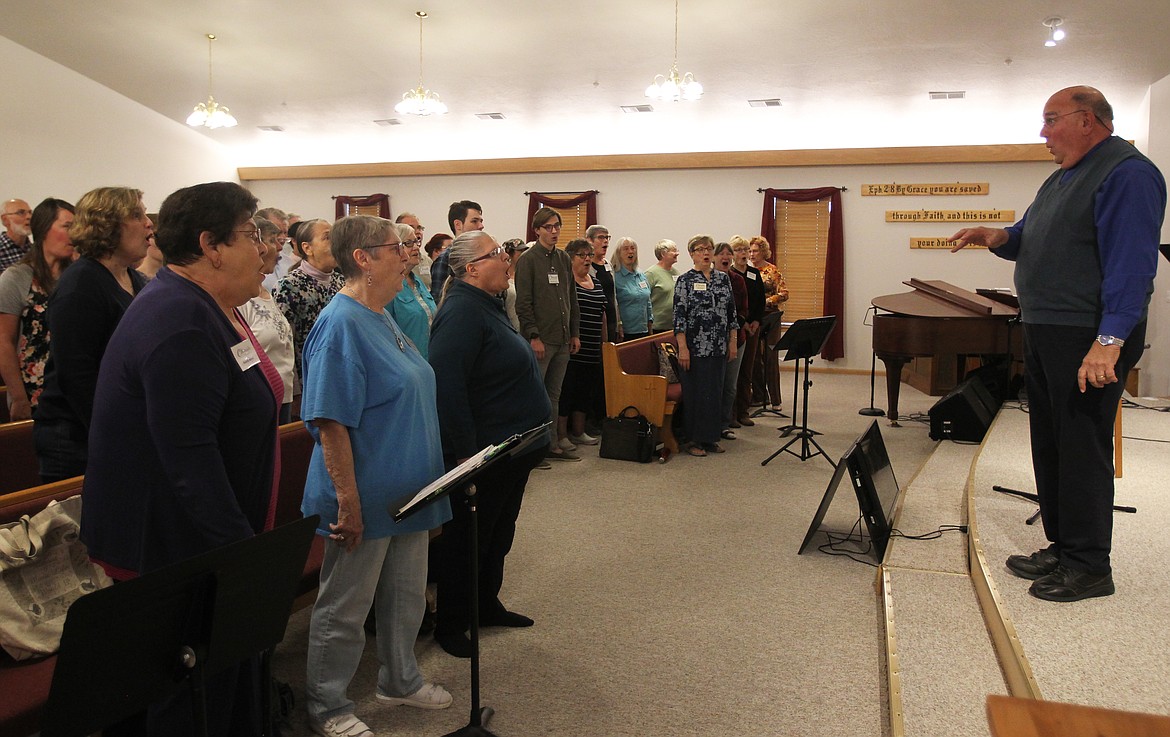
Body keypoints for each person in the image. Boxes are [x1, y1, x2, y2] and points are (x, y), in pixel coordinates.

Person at [950, 85, 1166, 603]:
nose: (1042, 132)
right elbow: (1029, 234)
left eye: (1051, 120)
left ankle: (1090, 565)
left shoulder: (1127, 173)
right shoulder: (1062, 178)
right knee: (1050, 443)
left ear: (1087, 120)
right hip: (1048, 327)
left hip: (1086, 333)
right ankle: (1064, 545)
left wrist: (1109, 341)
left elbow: (1132, 265)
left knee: (1081, 446)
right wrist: (998, 235)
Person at [80, 181, 281, 735]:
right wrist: (244, 560)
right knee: (189, 695)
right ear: (211, 245)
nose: (263, 248)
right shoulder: (180, 319)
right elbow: (188, 461)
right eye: (250, 235)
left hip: (199, 538)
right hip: (175, 545)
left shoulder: (205, 304)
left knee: (220, 684)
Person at [300, 214, 453, 737]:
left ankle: (400, 678)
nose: (408, 255)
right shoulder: (340, 322)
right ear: (363, 258)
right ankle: (327, 706)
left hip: (408, 490)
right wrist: (348, 500)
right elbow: (329, 421)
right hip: (363, 494)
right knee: (344, 607)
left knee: (406, 595)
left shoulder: (380, 313)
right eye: (397, 247)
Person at [428, 230, 551, 658]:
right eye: (497, 253)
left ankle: (485, 604)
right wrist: (464, 453)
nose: (506, 258)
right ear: (471, 268)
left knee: (498, 532)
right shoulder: (461, 311)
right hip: (483, 452)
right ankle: (452, 621)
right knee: (469, 538)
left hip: (513, 448)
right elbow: (448, 385)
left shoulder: (488, 303)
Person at [33, 187, 150, 482]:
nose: (149, 223)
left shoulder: (133, 277)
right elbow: (77, 376)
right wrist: (114, 435)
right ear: (107, 226)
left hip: (117, 423)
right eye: (137, 215)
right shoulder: (81, 284)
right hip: (77, 435)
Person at [513, 207, 581, 462]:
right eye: (549, 227)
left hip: (563, 338)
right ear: (538, 230)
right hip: (541, 339)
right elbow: (524, 303)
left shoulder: (563, 258)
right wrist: (533, 336)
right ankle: (531, 450)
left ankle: (550, 444)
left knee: (554, 396)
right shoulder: (528, 260)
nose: (554, 231)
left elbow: (571, 298)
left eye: (557, 226)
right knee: (535, 396)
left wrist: (574, 333)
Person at [0, 198, 75, 420]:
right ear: (43, 229)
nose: (75, 234)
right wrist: (19, 398)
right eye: (68, 226)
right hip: (33, 394)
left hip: (72, 392)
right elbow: (4, 341)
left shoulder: (77, 276)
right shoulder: (16, 277)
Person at [673, 234, 737, 457]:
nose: (706, 253)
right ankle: (693, 440)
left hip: (719, 345)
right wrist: (682, 348)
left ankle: (710, 438)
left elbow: (731, 313)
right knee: (696, 394)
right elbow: (679, 317)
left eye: (709, 248)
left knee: (714, 393)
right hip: (694, 347)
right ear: (692, 254)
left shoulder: (723, 279)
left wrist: (733, 341)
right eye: (700, 249)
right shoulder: (685, 280)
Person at [274, 218, 343, 391]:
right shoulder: (289, 286)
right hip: (310, 380)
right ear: (307, 248)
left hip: (340, 374)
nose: (335, 242)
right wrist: (295, 391)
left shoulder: (342, 282)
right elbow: (285, 343)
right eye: (327, 237)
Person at [240, 217, 296, 423]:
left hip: (283, 395)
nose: (278, 248)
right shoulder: (241, 299)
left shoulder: (264, 292)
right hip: (260, 400)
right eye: (273, 241)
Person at [557, 239, 606, 449]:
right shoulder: (566, 283)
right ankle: (562, 435)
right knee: (567, 392)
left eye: (589, 254)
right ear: (570, 258)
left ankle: (579, 431)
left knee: (586, 391)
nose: (587, 259)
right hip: (573, 346)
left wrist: (605, 343)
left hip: (593, 345)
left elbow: (603, 313)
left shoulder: (596, 281)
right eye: (581, 255)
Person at [387, 222, 438, 358]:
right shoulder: (389, 287)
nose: (416, 247)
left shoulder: (418, 282)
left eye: (416, 242)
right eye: (409, 243)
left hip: (429, 361)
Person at [714, 242, 748, 440]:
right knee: (714, 384)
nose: (725, 257)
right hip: (713, 341)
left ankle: (724, 424)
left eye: (729, 254)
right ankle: (711, 424)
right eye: (721, 254)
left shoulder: (738, 280)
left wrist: (733, 331)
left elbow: (743, 309)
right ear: (715, 257)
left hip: (737, 338)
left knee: (730, 385)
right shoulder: (705, 279)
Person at [749, 236, 788, 408]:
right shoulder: (747, 271)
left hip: (770, 316)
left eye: (755, 251)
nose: (752, 254)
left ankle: (775, 400)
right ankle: (759, 396)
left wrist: (767, 301)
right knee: (755, 357)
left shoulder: (772, 271)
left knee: (770, 357)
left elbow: (784, 293)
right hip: (754, 318)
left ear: (763, 251)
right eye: (750, 251)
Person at [730, 235, 764, 427]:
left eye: (745, 250)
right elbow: (735, 305)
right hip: (737, 328)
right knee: (734, 371)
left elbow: (760, 299)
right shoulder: (730, 275)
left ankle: (744, 411)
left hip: (753, 328)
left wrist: (756, 321)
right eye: (739, 250)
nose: (744, 254)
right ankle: (732, 414)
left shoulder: (754, 273)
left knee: (747, 371)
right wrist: (743, 323)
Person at [430, 200, 483, 302]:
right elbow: (439, 300)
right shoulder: (445, 259)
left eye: (481, 221)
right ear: (458, 225)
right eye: (474, 221)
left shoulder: (481, 255)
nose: (481, 226)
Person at [610, 236, 653, 341]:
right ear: (618, 253)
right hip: (624, 332)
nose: (630, 252)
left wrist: (650, 323)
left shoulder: (641, 275)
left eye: (633, 248)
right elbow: (614, 303)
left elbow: (647, 301)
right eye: (626, 249)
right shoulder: (614, 276)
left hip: (643, 330)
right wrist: (618, 324)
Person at [586, 224, 618, 341]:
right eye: (600, 237)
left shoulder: (608, 264)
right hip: (595, 321)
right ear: (589, 240)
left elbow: (613, 295)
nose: (605, 241)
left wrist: (619, 323)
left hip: (611, 319)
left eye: (607, 237)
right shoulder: (586, 266)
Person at [645, 239, 681, 333]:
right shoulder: (651, 274)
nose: (677, 253)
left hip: (674, 326)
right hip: (657, 327)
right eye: (673, 251)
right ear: (663, 254)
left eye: (677, 250)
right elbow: (644, 299)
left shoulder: (676, 272)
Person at [0, 199, 33, 271]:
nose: (29, 217)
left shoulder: (36, 250)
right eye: (21, 212)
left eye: (30, 212)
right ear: (5, 219)